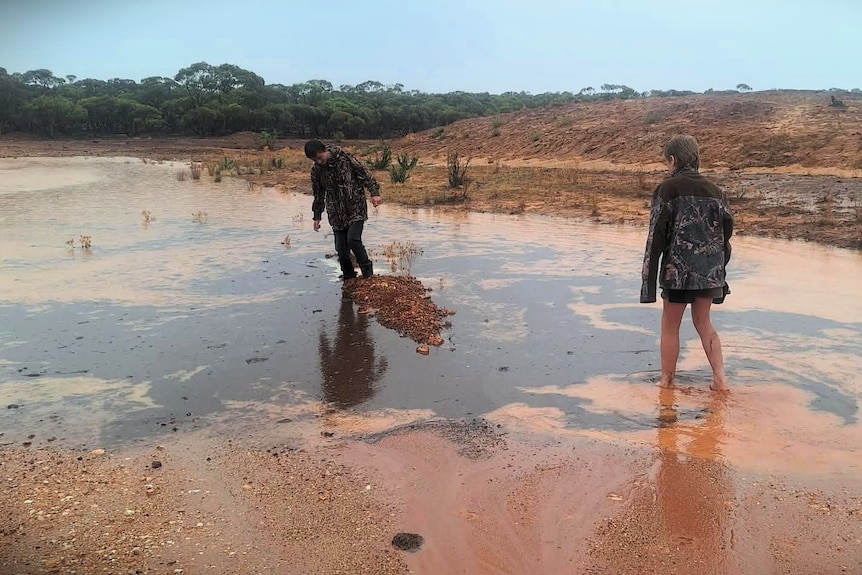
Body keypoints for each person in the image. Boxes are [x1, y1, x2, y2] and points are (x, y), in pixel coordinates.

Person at [640, 134, 733, 391]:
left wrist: (648, 285)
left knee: (670, 326)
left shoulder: (667, 189)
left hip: (678, 273)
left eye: (667, 163)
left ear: (673, 159)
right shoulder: (716, 191)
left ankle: (667, 381)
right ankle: (720, 380)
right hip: (710, 273)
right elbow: (726, 234)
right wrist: (720, 274)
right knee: (704, 323)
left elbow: (655, 238)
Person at [305, 139, 383, 279]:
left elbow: (364, 174)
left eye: (320, 158)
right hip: (335, 212)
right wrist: (317, 216)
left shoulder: (344, 158)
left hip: (355, 206)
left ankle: (368, 276)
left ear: (325, 150)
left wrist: (375, 193)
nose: (319, 162)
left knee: (353, 240)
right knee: (341, 249)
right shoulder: (316, 170)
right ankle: (348, 278)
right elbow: (318, 194)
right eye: (315, 160)